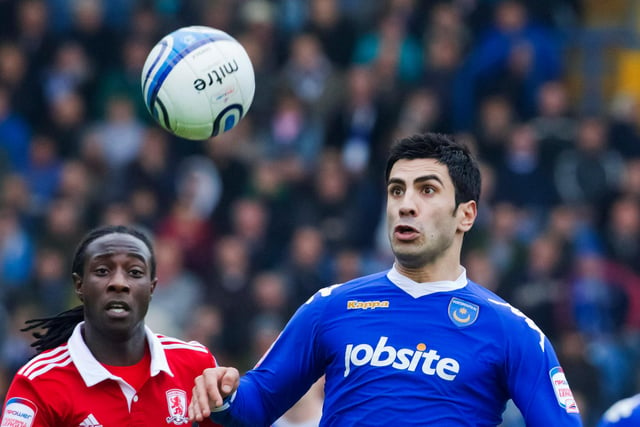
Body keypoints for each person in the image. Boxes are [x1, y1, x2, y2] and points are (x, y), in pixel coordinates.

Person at [189, 133, 583, 426]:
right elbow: (257, 403)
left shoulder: (510, 329)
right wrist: (226, 392)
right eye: (397, 191)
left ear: (466, 214)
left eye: (427, 190)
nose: (406, 204)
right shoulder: (331, 307)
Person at [0, 224, 221, 426]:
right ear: (80, 286)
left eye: (134, 272)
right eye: (102, 271)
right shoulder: (38, 382)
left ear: (152, 288)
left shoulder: (196, 364)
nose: (119, 283)